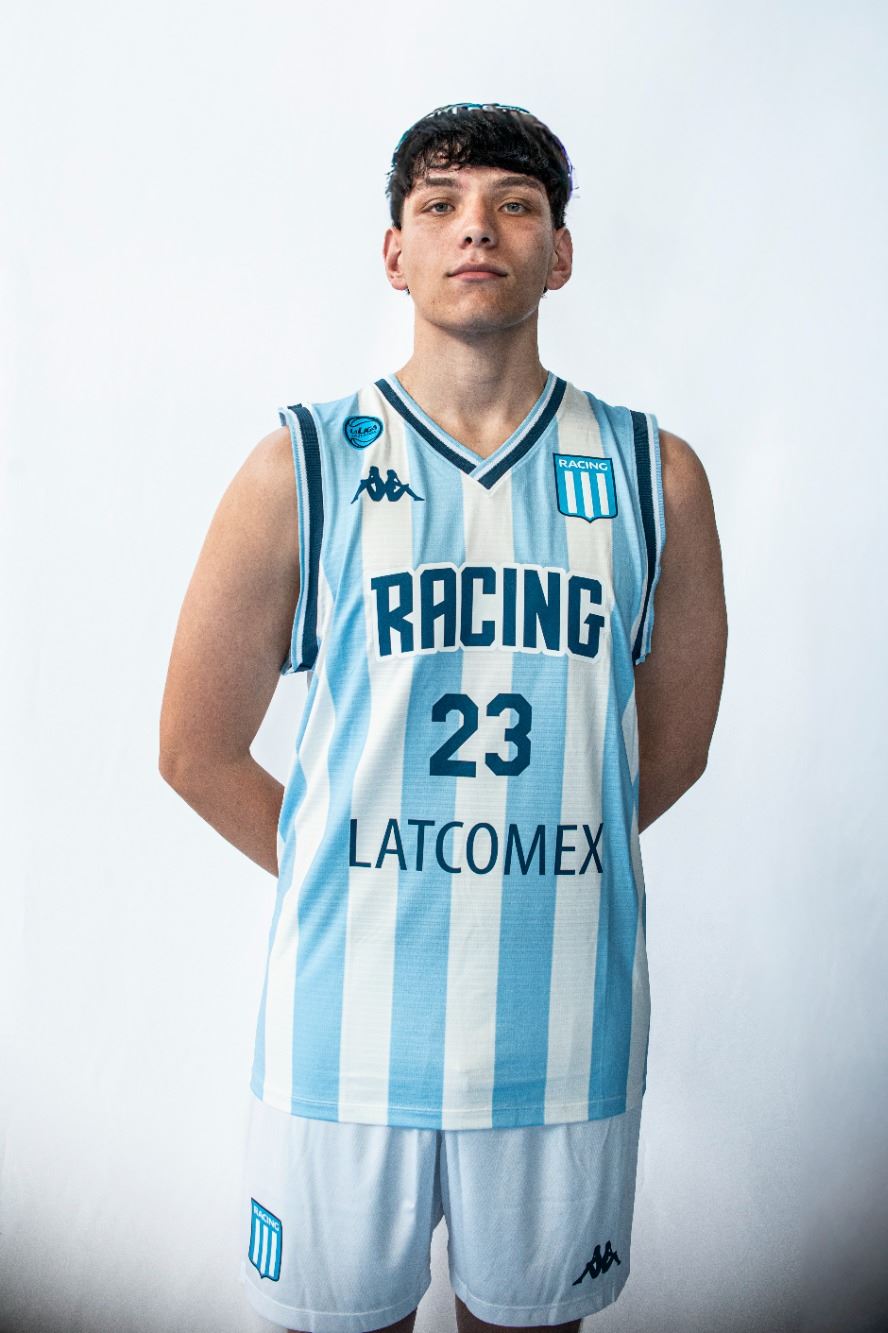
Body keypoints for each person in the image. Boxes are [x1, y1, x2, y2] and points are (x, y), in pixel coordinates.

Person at [159, 102, 727, 1333]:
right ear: (395, 252)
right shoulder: (302, 464)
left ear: (559, 253)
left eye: (515, 204)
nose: (478, 227)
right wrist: (358, 869)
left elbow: (672, 750)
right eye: (440, 204)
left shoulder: (656, 474)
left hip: (559, 1029)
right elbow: (195, 750)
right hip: (344, 1028)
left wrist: (512, 866)